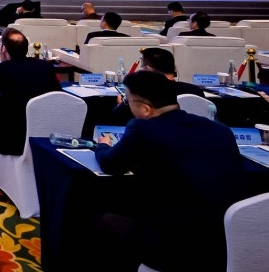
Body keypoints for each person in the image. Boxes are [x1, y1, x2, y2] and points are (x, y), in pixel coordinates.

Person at [94, 70, 246, 272]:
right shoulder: (220, 130)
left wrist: (103, 145)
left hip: (172, 246)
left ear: (145, 109)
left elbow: (110, 164)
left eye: (128, 102)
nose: (127, 107)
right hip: (223, 242)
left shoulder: (143, 129)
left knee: (103, 220)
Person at [0, 27, 61, 155]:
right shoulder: (45, 66)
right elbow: (57, 91)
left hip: (13, 137)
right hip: (46, 133)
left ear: (4, 49)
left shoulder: (1, 69)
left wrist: (2, 62)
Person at [110, 47, 204, 124]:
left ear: (148, 69)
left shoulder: (143, 93)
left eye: (142, 67)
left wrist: (123, 103)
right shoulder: (196, 91)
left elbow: (118, 117)